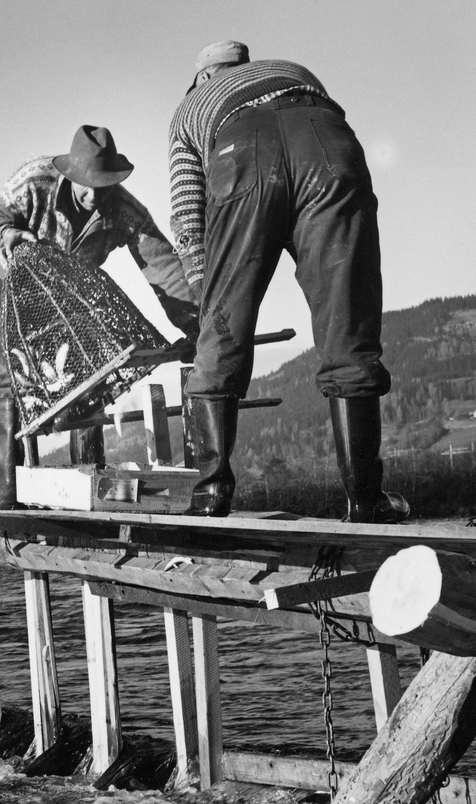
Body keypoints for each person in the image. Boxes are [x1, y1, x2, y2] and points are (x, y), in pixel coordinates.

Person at [168, 41, 409, 522]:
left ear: (203, 78)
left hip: (241, 152)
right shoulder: (293, 70)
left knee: (222, 329)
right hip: (326, 142)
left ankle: (211, 495)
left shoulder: (191, 107)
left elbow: (186, 212)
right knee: (347, 319)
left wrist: (205, 291)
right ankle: (365, 500)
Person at [0, 124, 199, 508]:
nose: (94, 195)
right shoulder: (34, 182)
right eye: (86, 185)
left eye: (102, 185)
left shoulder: (125, 210)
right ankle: (9, 498)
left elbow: (163, 267)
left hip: (66, 290)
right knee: (6, 383)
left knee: (87, 375)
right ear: (70, 174)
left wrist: (195, 325)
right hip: (4, 282)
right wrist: (7, 235)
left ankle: (89, 486)